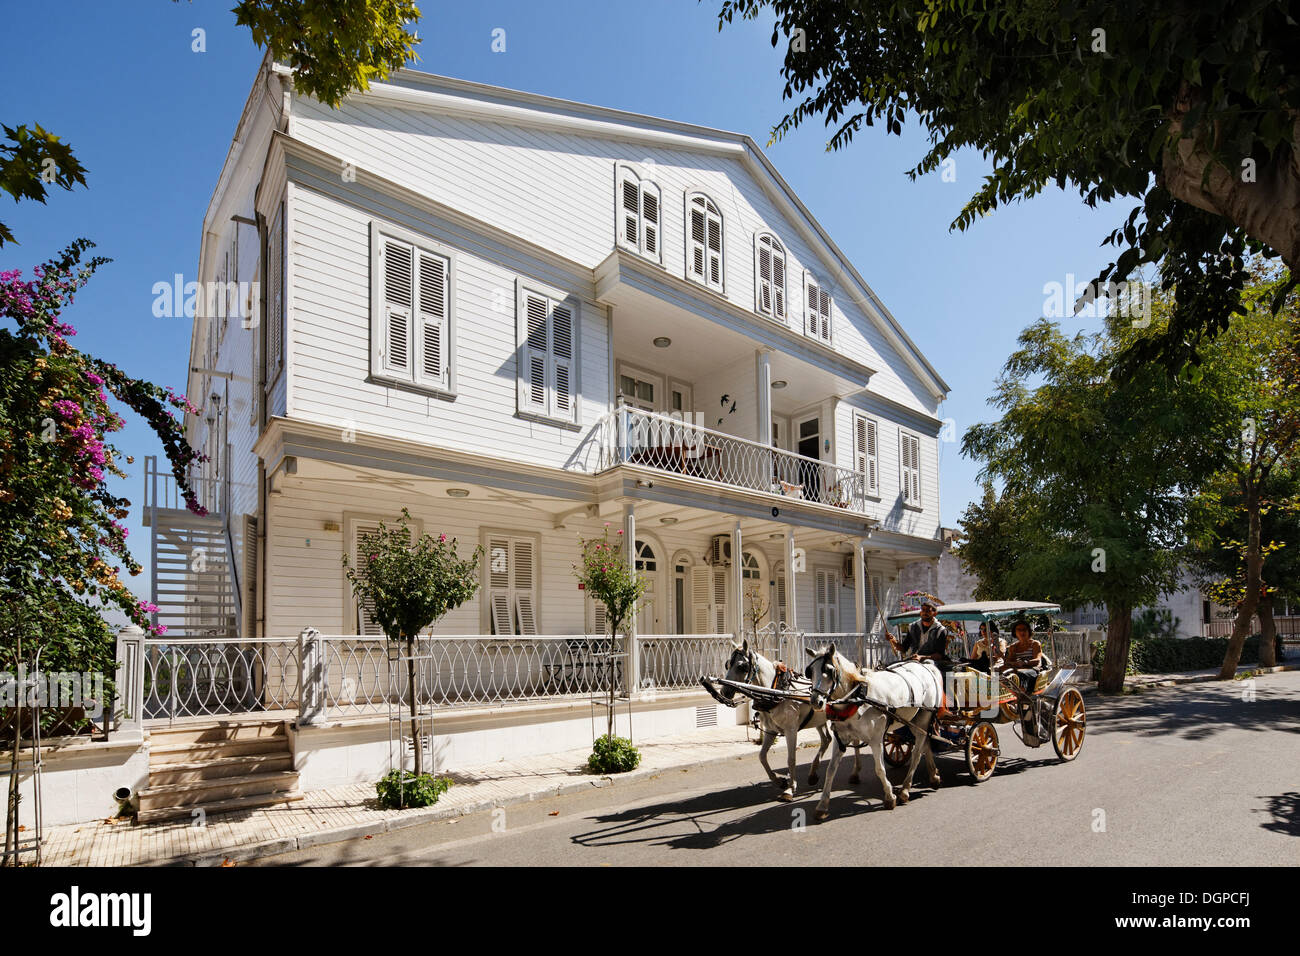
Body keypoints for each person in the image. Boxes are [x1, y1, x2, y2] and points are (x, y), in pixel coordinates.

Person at [1000, 618, 1043, 717]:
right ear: (1015, 633)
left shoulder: (1035, 644)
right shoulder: (1013, 647)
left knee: (1021, 674)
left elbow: (1037, 660)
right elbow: (1009, 661)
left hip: (1033, 670)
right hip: (1017, 669)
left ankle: (1018, 700)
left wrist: (1024, 663)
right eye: (1019, 630)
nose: (1022, 632)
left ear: (1029, 631)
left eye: (1024, 629)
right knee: (998, 672)